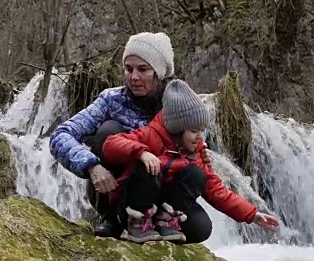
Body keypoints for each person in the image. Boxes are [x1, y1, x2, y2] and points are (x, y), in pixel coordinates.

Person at [49, 32, 211, 238]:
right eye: (128, 69)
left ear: (159, 73)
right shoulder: (111, 100)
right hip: (115, 188)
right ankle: (113, 218)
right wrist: (91, 166)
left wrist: (200, 158)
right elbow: (60, 135)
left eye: (143, 70)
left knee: (200, 228)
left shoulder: (179, 105)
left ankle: (158, 221)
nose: (134, 77)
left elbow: (195, 151)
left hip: (162, 192)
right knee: (109, 131)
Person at [102, 79, 280, 244]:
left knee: (196, 176)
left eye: (201, 130)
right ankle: (136, 223)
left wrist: (252, 215)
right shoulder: (149, 135)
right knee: (150, 167)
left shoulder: (197, 151)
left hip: (160, 205)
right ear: (177, 129)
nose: (200, 137)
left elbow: (217, 191)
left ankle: (166, 221)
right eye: (194, 131)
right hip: (131, 204)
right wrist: (142, 153)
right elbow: (110, 144)